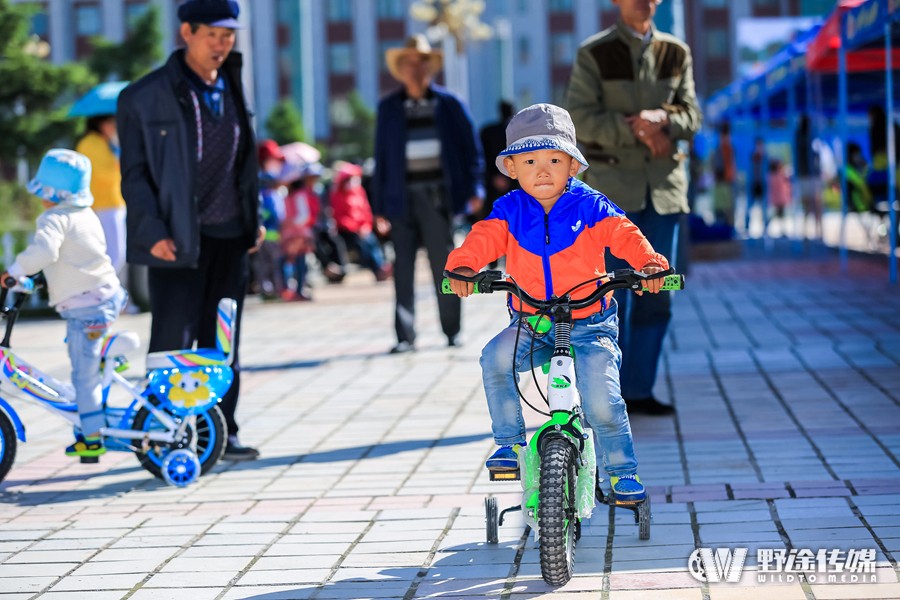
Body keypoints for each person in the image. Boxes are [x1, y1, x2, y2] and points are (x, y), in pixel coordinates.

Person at [445, 104, 670, 501]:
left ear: (573, 166)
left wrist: (649, 265)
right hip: (532, 320)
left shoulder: (590, 206)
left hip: (590, 321)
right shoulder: (509, 211)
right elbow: (482, 239)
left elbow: (624, 234)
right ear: (512, 169)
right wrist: (463, 267)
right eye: (530, 160)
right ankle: (510, 444)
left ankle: (620, 471)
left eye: (554, 159)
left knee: (602, 398)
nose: (543, 170)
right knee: (493, 359)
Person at [117, 0, 262, 460]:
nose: (222, 44)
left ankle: (222, 433)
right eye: (213, 35)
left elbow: (246, 164)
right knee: (173, 343)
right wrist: (153, 229)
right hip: (175, 242)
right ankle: (162, 434)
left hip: (230, 238)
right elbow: (135, 175)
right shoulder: (143, 97)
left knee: (222, 343)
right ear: (187, 32)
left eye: (229, 35)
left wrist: (253, 220)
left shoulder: (233, 83)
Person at [567, 0, 700, 415]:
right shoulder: (594, 52)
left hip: (663, 193)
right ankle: (608, 396)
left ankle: (639, 390)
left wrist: (663, 118)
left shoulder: (677, 52)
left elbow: (693, 116)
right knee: (611, 297)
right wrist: (636, 128)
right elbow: (581, 119)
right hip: (612, 198)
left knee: (658, 294)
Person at [2, 150, 126, 458]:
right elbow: (76, 259)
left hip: (88, 307)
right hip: (103, 296)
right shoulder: (85, 215)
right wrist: (35, 283)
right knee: (84, 361)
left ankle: (93, 438)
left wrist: (14, 271)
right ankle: (95, 401)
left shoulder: (54, 218)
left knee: (83, 376)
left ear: (50, 194)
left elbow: (44, 252)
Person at [372, 34, 485, 354]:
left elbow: (471, 149)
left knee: (445, 265)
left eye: (421, 62)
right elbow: (381, 158)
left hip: (438, 196)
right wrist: (378, 206)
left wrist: (475, 188)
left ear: (429, 67)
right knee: (402, 268)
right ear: (401, 69)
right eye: (408, 63)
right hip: (400, 197)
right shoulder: (389, 108)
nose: (415, 69)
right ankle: (405, 336)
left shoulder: (449, 104)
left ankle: (452, 330)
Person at [75, 114, 127, 279]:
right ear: (99, 123)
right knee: (114, 256)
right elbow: (103, 174)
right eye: (110, 122)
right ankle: (105, 296)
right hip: (102, 205)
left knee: (116, 256)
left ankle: (115, 299)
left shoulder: (104, 142)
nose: (114, 126)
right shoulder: (90, 143)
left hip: (112, 203)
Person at [329, 160, 391, 282]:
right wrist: (355, 228)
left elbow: (366, 211)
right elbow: (339, 216)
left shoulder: (359, 192)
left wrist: (365, 226)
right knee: (364, 244)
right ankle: (378, 268)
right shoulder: (337, 195)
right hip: (348, 230)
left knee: (371, 241)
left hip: (363, 228)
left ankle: (381, 267)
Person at [280, 162, 321, 301]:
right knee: (298, 263)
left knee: (296, 263)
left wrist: (289, 224)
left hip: (294, 235)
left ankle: (296, 289)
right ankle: (297, 290)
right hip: (297, 234)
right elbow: (303, 215)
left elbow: (299, 215)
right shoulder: (296, 195)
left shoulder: (293, 195)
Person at [254, 140, 287, 300]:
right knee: (273, 264)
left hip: (267, 234)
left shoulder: (263, 190)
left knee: (264, 264)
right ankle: (274, 290)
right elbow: (277, 215)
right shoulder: (270, 194)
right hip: (270, 234)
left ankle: (268, 290)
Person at [478, 100, 518, 221]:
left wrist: (493, 177)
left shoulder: (487, 131)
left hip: (493, 185)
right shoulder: (520, 134)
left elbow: (482, 159)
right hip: (515, 184)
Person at [766, 158, 792, 236]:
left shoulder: (770, 176)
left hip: (776, 199)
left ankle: (780, 230)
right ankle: (781, 230)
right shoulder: (779, 176)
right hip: (779, 199)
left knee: (778, 215)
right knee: (779, 215)